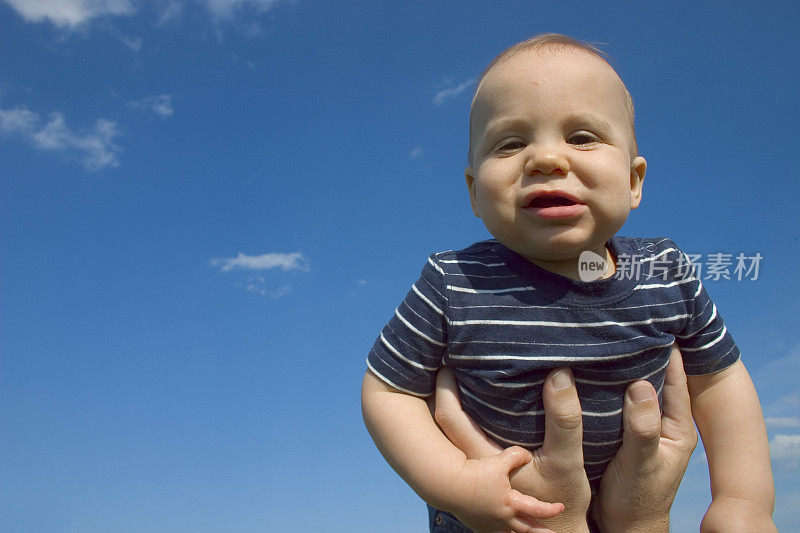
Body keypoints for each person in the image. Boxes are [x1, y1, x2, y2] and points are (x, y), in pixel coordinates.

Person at [361, 33, 775, 532]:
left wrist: (743, 501)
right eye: (511, 143)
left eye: (582, 137)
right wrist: (456, 481)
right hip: (496, 516)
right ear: (474, 192)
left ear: (634, 181)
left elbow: (721, 382)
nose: (546, 158)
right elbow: (388, 392)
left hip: (627, 510)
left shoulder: (665, 269)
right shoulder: (452, 282)